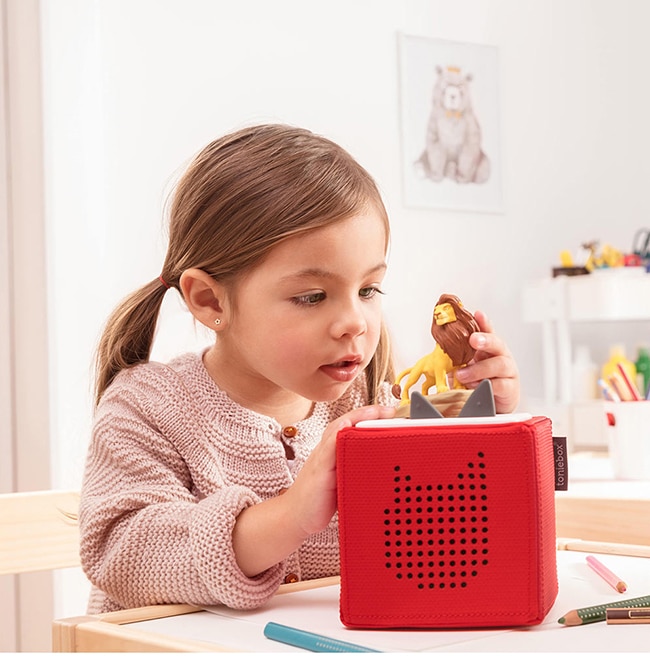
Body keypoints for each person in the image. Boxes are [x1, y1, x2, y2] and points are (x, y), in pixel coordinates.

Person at [80, 124, 520, 614]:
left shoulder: (377, 400)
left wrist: (478, 424)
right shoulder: (148, 406)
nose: (355, 321)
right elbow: (122, 553)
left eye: (369, 290)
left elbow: (445, 533)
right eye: (312, 297)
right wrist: (287, 517)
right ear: (208, 300)